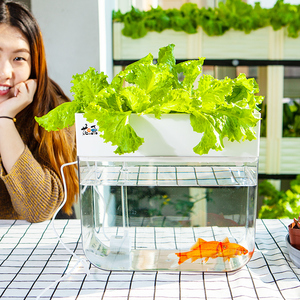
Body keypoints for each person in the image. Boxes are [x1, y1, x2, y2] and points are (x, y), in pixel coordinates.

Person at [0, 0, 78, 222]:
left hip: (33, 244)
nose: (5, 72)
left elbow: (38, 209)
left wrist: (4, 121)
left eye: (18, 58)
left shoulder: (57, 112)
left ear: (34, 64)